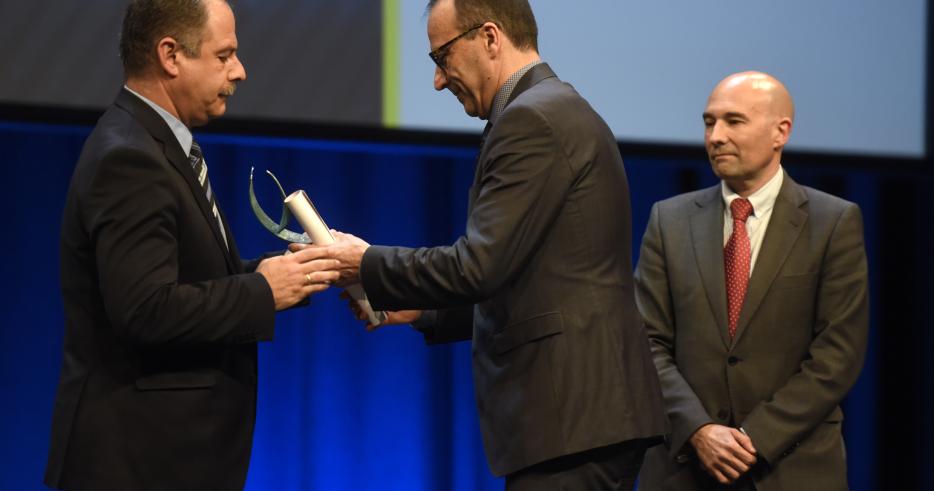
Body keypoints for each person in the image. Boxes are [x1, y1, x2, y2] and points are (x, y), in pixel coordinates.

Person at [319, 0, 668, 488]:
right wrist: (420, 312)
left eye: (441, 57)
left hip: (573, 417)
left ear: (489, 37)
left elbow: (478, 266)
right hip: (580, 419)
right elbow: (533, 281)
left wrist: (365, 262)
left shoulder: (534, 119)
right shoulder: (547, 110)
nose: (439, 80)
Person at [44, 1, 337, 489]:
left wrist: (277, 273)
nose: (240, 72)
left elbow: (182, 281)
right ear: (171, 55)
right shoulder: (129, 159)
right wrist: (262, 291)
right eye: (225, 55)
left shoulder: (154, 144)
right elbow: (145, 308)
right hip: (139, 464)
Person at [634, 71, 869, 490]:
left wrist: (754, 438)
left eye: (733, 121)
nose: (715, 136)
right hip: (685, 467)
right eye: (709, 122)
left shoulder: (833, 222)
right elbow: (644, 341)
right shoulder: (668, 221)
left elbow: (838, 354)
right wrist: (698, 429)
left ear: (781, 132)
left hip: (792, 467)